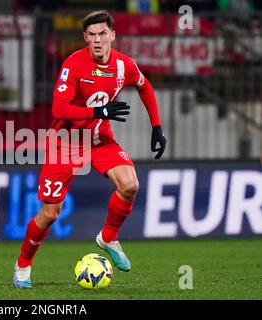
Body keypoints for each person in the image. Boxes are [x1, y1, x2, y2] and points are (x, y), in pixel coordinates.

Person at [13, 10, 166, 288]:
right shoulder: (73, 64)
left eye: (102, 34)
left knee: (130, 184)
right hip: (66, 142)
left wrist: (156, 126)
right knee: (49, 214)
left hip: (99, 141)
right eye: (92, 35)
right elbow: (59, 108)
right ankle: (23, 264)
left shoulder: (124, 65)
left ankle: (108, 237)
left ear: (112, 35)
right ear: (85, 38)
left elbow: (145, 86)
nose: (97, 40)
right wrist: (99, 109)